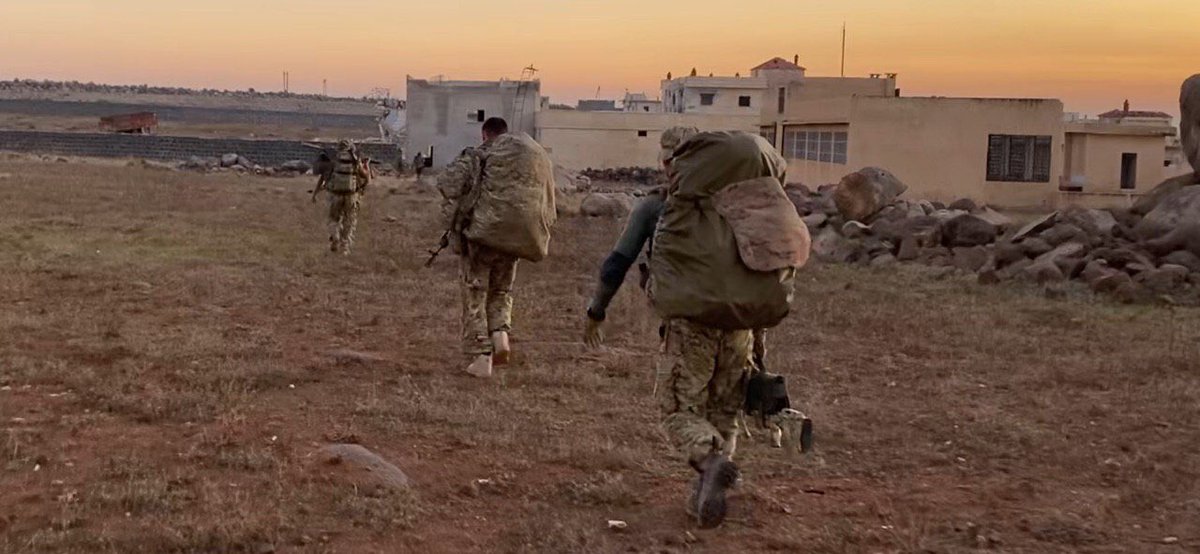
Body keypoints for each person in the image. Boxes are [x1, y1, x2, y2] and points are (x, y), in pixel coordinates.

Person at [648, 131, 802, 529]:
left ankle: (710, 461)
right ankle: (703, 496)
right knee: (725, 411)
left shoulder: (679, 208)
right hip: (741, 329)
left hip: (692, 326)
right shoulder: (754, 212)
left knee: (679, 410)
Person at [437, 117, 520, 378]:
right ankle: (501, 335)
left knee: (475, 294)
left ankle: (482, 357)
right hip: (513, 237)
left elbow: (448, 184)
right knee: (501, 290)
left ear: (484, 134)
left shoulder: (477, 156)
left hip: (481, 239)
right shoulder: (518, 162)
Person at [314, 140, 371, 254]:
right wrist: (367, 165)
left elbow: (325, 177)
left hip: (335, 194)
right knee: (349, 220)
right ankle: (344, 246)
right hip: (351, 195)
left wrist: (315, 193)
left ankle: (335, 237)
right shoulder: (354, 159)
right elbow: (365, 176)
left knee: (333, 218)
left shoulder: (334, 160)